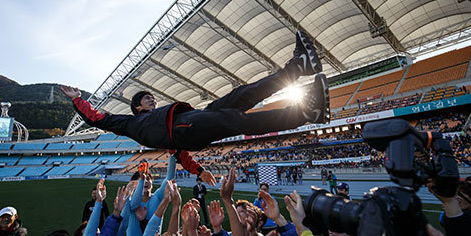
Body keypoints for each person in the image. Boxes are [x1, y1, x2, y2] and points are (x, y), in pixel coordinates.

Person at [61, 31, 331, 186]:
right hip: (185, 129)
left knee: (242, 94)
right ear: (136, 107)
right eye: (146, 99)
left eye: (152, 98)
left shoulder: (158, 123)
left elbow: (180, 156)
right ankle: (306, 114)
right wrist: (77, 99)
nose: (152, 100)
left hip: (192, 119)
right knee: (234, 119)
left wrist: (200, 171)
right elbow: (98, 118)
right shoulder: (131, 125)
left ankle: (299, 67)